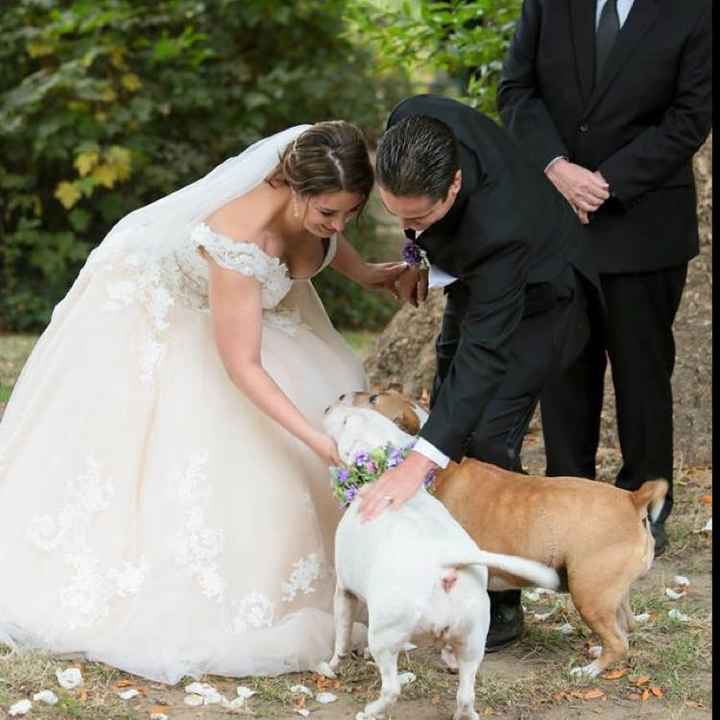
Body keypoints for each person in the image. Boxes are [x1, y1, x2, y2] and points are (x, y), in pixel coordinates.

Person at [0, 121, 405, 683]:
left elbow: (324, 239)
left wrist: (365, 274)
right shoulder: (238, 240)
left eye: (348, 214)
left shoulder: (317, 182)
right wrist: (317, 441)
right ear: (293, 189)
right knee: (211, 439)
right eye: (327, 214)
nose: (337, 225)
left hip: (232, 301)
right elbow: (242, 365)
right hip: (151, 301)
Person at [358, 94, 602, 650]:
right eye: (395, 212)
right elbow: (422, 226)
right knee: (450, 399)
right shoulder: (411, 121)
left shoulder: (501, 226)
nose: (405, 226)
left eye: (417, 219)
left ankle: (498, 598)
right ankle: (443, 561)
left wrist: (416, 465)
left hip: (546, 299)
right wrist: (421, 255)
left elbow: (487, 353)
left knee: (487, 435)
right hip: (477, 278)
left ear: (455, 185)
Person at [497, 0, 712, 554]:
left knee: (642, 374)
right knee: (564, 373)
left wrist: (609, 181)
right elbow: (517, 91)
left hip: (643, 223)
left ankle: (646, 508)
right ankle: (571, 503)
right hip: (555, 219)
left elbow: (690, 116)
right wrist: (556, 168)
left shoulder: (694, 10)